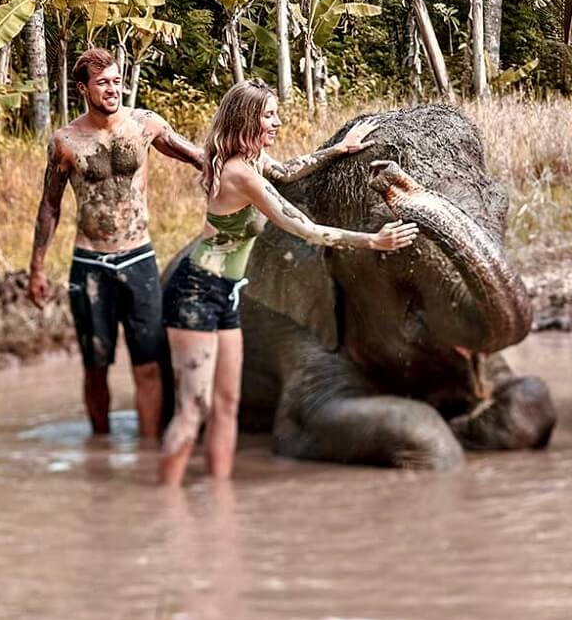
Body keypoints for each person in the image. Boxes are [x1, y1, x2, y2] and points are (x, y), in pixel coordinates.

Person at [158, 79, 418, 486]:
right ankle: (165, 506)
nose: (277, 121)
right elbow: (304, 227)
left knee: (227, 404)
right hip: (195, 291)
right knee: (194, 410)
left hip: (226, 293)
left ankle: (220, 503)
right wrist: (373, 241)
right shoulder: (239, 173)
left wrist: (337, 149)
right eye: (269, 115)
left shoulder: (254, 160)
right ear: (247, 120)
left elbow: (286, 170)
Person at [29, 48, 204, 439]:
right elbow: (49, 206)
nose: (112, 89)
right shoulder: (65, 142)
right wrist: (37, 267)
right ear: (83, 88)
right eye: (103, 83)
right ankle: (101, 447)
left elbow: (197, 156)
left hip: (139, 258)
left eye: (116, 80)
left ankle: (146, 451)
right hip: (91, 266)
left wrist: (248, 164)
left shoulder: (145, 125)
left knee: (148, 364)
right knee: (96, 366)